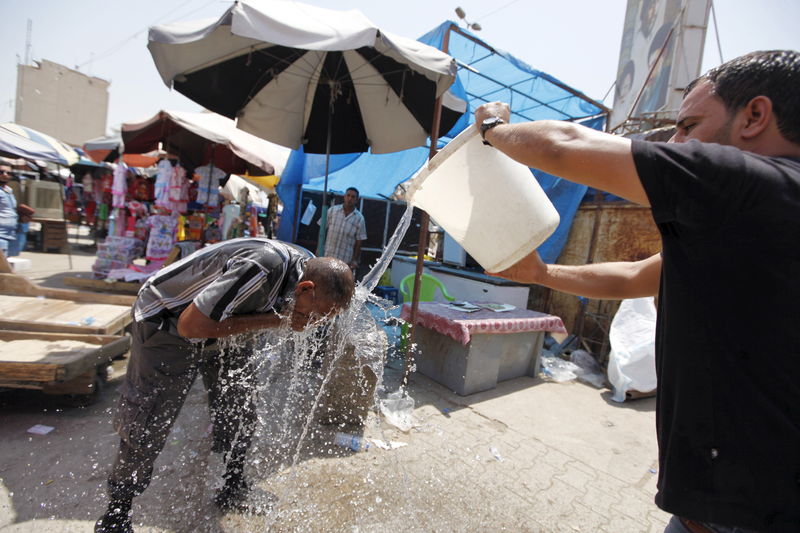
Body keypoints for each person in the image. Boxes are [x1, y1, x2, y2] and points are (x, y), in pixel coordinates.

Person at [475, 50, 800, 532]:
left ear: (754, 115)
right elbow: (634, 278)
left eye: (689, 125)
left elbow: (563, 144)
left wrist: (495, 130)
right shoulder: (759, 220)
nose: (676, 140)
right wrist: (542, 273)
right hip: (718, 511)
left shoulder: (750, 183)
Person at [95, 238, 355, 533]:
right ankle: (116, 513)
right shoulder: (261, 267)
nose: (313, 323)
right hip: (167, 322)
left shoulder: (309, 269)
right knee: (150, 416)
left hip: (227, 319)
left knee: (240, 404)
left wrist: (278, 319)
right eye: (316, 314)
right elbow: (190, 326)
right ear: (304, 289)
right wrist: (276, 320)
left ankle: (233, 486)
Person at [323, 187, 367, 272]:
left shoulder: (359, 218)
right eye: (348, 195)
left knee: (339, 284)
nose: (350, 198)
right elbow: (322, 230)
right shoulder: (332, 211)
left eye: (353, 197)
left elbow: (359, 242)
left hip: (344, 261)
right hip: (327, 256)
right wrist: (319, 248)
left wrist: (354, 260)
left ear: (357, 200)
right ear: (344, 196)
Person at [0, 163, 18, 257]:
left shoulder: (9, 190)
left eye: (8, 173)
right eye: (1, 172)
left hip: (10, 234)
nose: (5, 174)